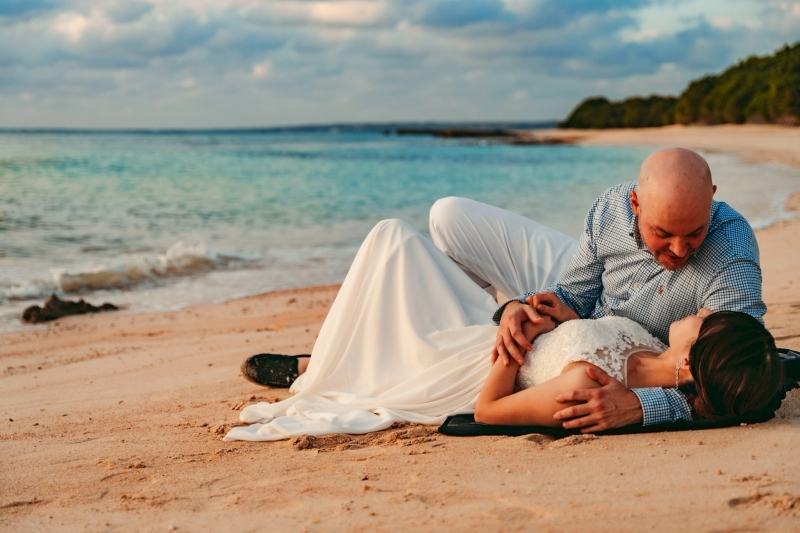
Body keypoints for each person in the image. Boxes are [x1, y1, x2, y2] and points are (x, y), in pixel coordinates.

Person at [224, 219, 780, 442]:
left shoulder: (592, 387)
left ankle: (315, 365)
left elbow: (488, 411)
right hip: (509, 333)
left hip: (481, 361)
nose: (703, 310)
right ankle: (321, 357)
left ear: (694, 354)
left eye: (708, 321)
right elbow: (746, 381)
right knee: (398, 244)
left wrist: (512, 349)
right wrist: (533, 314)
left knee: (391, 248)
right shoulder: (658, 350)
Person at [428, 147, 765, 431]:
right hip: (589, 323)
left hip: (630, 356)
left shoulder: (730, 249)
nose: (679, 249)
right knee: (448, 215)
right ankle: (478, 323)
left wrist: (642, 405)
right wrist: (517, 308)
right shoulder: (611, 209)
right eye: (662, 233)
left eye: (694, 233)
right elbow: (573, 294)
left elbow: (735, 364)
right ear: (635, 204)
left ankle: (463, 335)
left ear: (712, 199)